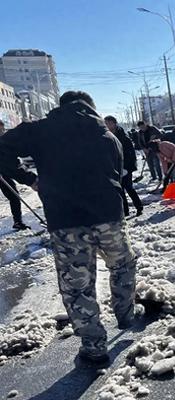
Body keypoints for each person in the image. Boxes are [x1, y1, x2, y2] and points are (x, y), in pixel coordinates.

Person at [0, 91, 136, 364]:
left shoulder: (40, 131)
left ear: (60, 107)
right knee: (122, 265)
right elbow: (117, 176)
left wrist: (29, 179)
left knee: (78, 284)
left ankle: (94, 345)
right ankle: (126, 315)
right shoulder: (108, 137)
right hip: (109, 216)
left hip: (66, 220)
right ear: (91, 107)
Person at [105, 116, 143, 217]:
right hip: (115, 167)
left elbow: (130, 154)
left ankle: (139, 207)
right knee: (120, 190)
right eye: (106, 123)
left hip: (125, 167)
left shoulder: (123, 137)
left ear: (114, 123)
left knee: (129, 188)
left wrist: (127, 167)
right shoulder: (107, 137)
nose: (107, 125)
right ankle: (125, 211)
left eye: (109, 122)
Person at [0, 119, 34, 231]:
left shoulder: (4, 141)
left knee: (14, 196)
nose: (2, 131)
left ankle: (18, 222)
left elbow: (11, 162)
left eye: (2, 129)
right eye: (1, 129)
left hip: (3, 173)